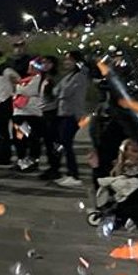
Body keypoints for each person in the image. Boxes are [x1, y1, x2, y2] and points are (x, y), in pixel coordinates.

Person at [50, 51, 88, 187]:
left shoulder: (79, 76)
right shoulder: (69, 76)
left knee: (67, 144)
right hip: (64, 113)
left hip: (73, 114)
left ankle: (74, 175)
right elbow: (56, 91)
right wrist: (59, 91)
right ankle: (70, 173)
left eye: (69, 60)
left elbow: (64, 92)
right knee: (63, 144)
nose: (66, 63)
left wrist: (60, 91)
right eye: (65, 60)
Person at [12, 59, 48, 172]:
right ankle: (21, 160)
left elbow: (27, 91)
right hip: (20, 112)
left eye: (32, 66)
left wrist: (18, 88)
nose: (30, 68)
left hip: (32, 112)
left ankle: (32, 161)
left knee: (33, 138)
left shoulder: (39, 79)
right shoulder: (27, 79)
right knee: (19, 137)